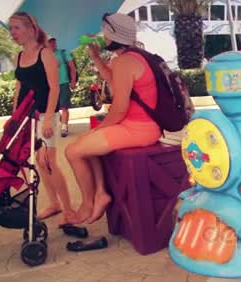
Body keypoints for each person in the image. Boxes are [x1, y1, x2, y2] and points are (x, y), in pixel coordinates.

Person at [65, 13, 162, 224]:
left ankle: (86, 205)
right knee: (84, 144)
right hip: (140, 125)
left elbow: (118, 110)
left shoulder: (124, 62)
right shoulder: (133, 57)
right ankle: (101, 193)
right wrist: (96, 57)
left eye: (105, 32)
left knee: (72, 151)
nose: (102, 36)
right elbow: (115, 81)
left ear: (113, 35)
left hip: (139, 129)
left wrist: (99, 128)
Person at [9, 12, 76, 224]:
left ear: (31, 29)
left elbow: (54, 88)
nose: (13, 33)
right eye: (11, 29)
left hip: (46, 113)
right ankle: (55, 204)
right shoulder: (18, 56)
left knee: (47, 161)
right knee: (39, 162)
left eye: (16, 28)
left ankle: (68, 210)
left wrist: (48, 118)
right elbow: (19, 86)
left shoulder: (45, 53)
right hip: (26, 116)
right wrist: (14, 116)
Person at [47, 37, 76, 137]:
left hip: (63, 83)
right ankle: (60, 122)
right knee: (52, 108)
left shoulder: (63, 53)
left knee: (64, 107)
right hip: (50, 85)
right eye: (50, 42)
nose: (52, 44)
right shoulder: (44, 55)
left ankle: (64, 127)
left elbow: (72, 68)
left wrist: (73, 81)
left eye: (54, 42)